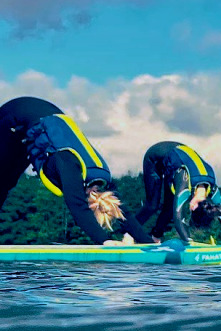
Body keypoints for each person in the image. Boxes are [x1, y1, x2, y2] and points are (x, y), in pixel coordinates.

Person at [0, 96, 152, 245]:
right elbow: (77, 206)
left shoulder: (103, 181)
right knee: (4, 181)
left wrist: (148, 243)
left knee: (8, 179)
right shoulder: (69, 165)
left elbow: (124, 213)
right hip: (13, 115)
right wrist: (105, 241)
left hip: (42, 113)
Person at [135, 141, 221, 244]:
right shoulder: (184, 180)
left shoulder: (213, 189)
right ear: (193, 207)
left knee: (169, 207)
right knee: (152, 205)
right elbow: (178, 217)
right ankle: (129, 234)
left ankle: (155, 238)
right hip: (156, 156)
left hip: (175, 156)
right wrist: (189, 241)